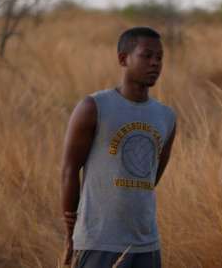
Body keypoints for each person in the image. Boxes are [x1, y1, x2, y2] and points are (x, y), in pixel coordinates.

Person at [61, 26, 177, 268]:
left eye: (160, 57)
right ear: (123, 59)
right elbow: (70, 170)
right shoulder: (94, 107)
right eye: (147, 56)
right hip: (99, 241)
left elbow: (151, 175)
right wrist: (71, 232)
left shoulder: (165, 116)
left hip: (146, 242)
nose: (155, 63)